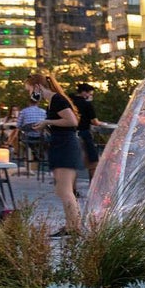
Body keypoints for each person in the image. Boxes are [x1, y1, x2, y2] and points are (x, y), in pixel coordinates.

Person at [23, 72, 82, 236]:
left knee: (64, 190)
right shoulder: (52, 101)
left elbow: (72, 121)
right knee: (63, 189)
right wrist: (45, 125)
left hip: (65, 146)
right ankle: (71, 225)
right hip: (61, 144)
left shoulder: (57, 99)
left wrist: (47, 122)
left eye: (30, 90)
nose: (30, 94)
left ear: (37, 87)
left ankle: (74, 227)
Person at [70, 82, 103, 193]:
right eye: (90, 94)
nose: (90, 96)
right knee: (93, 162)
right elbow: (94, 121)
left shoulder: (69, 102)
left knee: (72, 163)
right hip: (84, 134)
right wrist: (101, 123)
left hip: (70, 134)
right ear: (84, 92)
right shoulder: (86, 104)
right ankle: (94, 190)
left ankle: (73, 190)